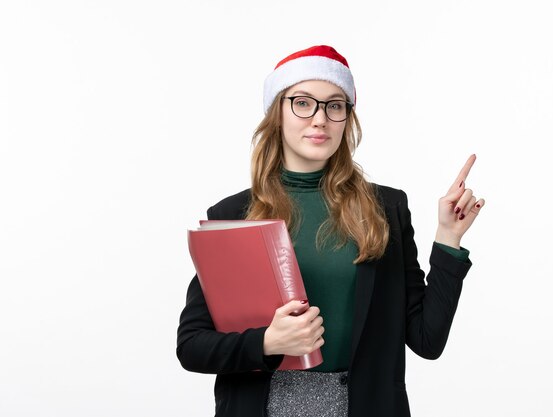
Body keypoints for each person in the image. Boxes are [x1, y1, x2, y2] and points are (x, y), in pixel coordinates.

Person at [176, 45, 484, 417]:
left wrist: (448, 238)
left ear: (346, 119)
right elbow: (192, 345)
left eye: (334, 105)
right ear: (277, 113)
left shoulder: (386, 209)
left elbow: (426, 340)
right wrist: (267, 342)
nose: (319, 118)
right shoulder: (232, 215)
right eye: (303, 103)